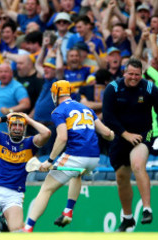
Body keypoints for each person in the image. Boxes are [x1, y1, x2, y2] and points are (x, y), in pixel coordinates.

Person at [24, 80, 114, 232]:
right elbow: (106, 133)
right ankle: (68, 211)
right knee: (76, 174)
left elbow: (62, 138)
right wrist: (114, 135)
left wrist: (49, 161)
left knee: (46, 188)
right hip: (94, 157)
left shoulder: (58, 111)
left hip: (77, 155)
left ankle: (27, 228)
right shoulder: (86, 108)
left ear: (56, 94)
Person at [102, 58, 158, 232]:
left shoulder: (149, 88)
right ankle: (127, 217)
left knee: (138, 165)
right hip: (120, 136)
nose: (133, 78)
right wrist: (125, 135)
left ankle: (147, 209)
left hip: (143, 135)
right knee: (122, 179)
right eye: (130, 74)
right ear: (124, 72)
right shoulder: (113, 89)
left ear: (141, 75)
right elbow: (108, 117)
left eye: (137, 75)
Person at [0, 112, 51, 232]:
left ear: (24, 128)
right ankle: (0, 225)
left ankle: (7, 225)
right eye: (14, 125)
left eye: (21, 125)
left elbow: (46, 133)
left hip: (14, 194)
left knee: (17, 231)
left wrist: (28, 119)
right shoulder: (0, 138)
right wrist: (4, 118)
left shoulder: (30, 143)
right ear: (9, 126)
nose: (17, 128)